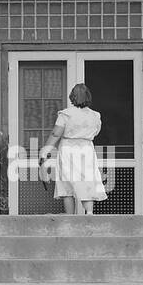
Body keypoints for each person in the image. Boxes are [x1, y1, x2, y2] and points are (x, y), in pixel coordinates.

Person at [38, 83, 107, 215]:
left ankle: (70, 217)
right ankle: (90, 214)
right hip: (87, 150)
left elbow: (56, 133)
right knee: (87, 183)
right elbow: (96, 132)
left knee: (67, 186)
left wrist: (45, 150)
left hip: (68, 150)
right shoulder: (95, 115)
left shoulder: (66, 114)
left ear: (72, 97)